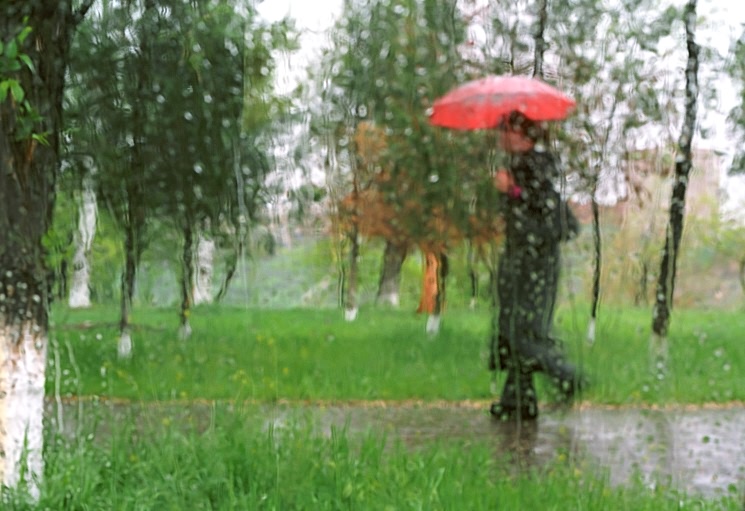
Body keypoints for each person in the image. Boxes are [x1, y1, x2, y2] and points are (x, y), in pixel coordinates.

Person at [489, 111, 583, 422]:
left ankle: (566, 376)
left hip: (534, 264)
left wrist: (511, 191)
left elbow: (555, 220)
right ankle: (518, 401)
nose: (501, 136)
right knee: (513, 328)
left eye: (507, 130)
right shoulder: (521, 168)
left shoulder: (535, 168)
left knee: (524, 332)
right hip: (520, 259)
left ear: (524, 137)